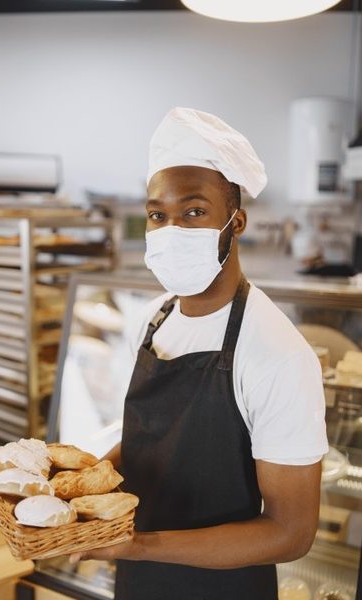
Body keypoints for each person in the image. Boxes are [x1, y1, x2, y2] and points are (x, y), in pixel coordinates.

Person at [70, 107, 329, 600]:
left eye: (193, 211)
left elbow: (291, 532)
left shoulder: (276, 352)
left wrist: (140, 545)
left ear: (237, 221)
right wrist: (86, 484)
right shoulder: (152, 321)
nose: (172, 230)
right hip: (140, 579)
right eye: (157, 215)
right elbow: (153, 441)